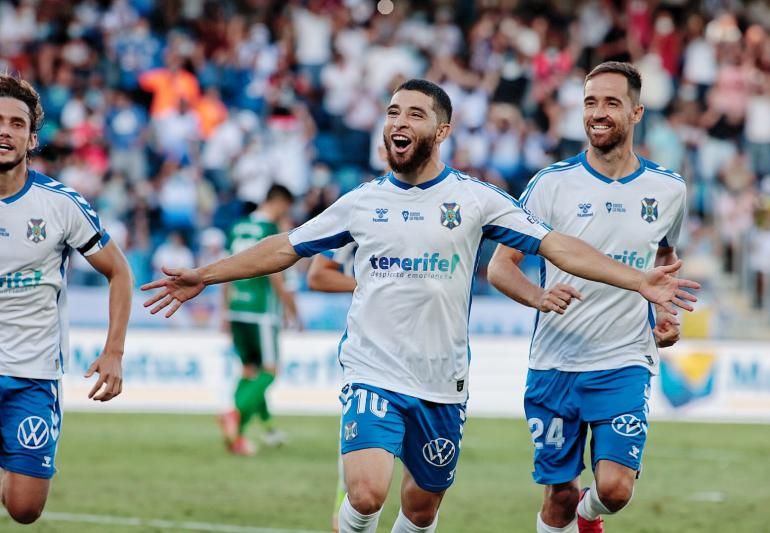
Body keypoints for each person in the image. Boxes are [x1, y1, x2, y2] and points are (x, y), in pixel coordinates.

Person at [142, 79, 699, 533]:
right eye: (392, 112)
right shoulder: (362, 202)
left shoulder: (478, 200)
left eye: (413, 114)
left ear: (441, 129)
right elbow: (286, 248)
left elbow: (559, 247)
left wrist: (637, 281)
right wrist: (205, 275)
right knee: (365, 494)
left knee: (422, 510)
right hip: (373, 371)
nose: (398, 123)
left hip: (441, 383)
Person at [487, 61, 686, 533]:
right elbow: (499, 266)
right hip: (556, 363)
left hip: (624, 360)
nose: (598, 112)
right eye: (590, 102)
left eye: (611, 103)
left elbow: (665, 257)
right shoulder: (551, 185)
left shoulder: (668, 189)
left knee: (615, 489)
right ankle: (570, 513)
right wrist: (538, 298)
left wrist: (664, 311)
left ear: (636, 113)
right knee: (557, 496)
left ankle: (588, 514)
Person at [0, 73, 132, 524]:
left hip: (34, 375)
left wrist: (113, 351)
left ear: (32, 138)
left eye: (17, 124)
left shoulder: (60, 204)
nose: (5, 130)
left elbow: (119, 271)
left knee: (24, 508)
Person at [219, 184, 299, 455]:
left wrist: (224, 310)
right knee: (270, 371)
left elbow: (224, 268)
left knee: (249, 372)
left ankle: (241, 437)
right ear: (280, 203)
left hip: (236, 307)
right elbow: (276, 275)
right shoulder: (269, 232)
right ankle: (235, 413)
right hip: (262, 311)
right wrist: (292, 310)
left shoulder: (237, 227)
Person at [307, 242, 357, 533]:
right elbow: (317, 275)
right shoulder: (364, 206)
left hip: (433, 356)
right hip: (370, 353)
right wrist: (373, 284)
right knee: (361, 458)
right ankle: (343, 507)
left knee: (423, 490)